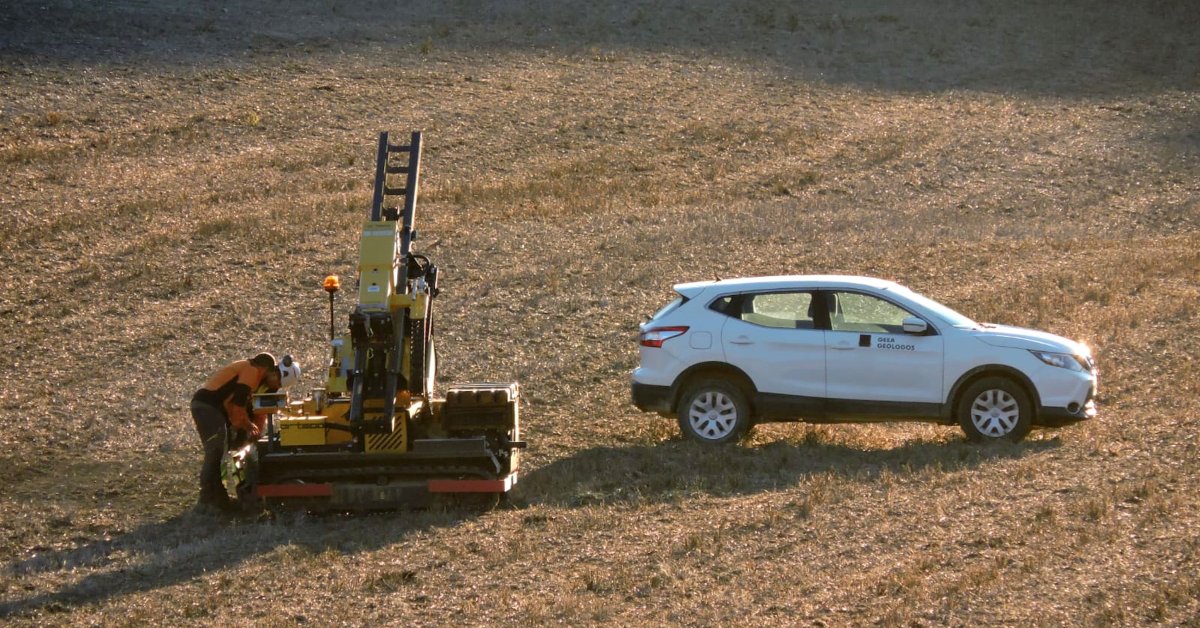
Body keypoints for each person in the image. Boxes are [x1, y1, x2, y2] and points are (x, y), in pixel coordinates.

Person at [190, 352, 282, 513]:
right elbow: (238, 405)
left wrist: (249, 431)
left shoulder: (250, 372)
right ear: (267, 369)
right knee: (216, 449)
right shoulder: (251, 371)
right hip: (208, 407)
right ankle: (208, 497)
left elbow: (246, 410)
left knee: (225, 450)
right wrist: (247, 425)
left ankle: (220, 497)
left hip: (213, 409)